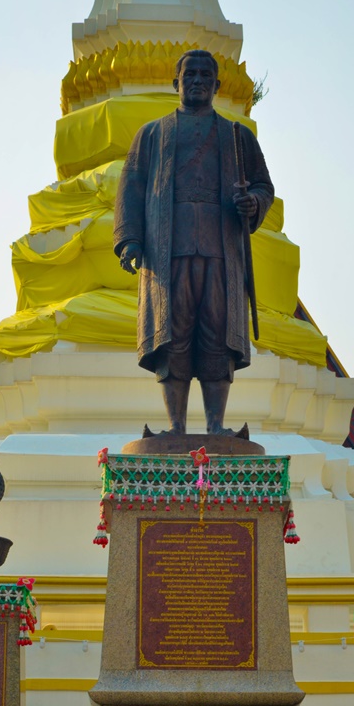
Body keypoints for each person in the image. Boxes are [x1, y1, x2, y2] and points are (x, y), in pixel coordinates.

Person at [113, 49, 274, 435]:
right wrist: (130, 240)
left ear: (217, 85)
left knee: (217, 332)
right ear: (176, 83)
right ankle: (176, 426)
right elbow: (131, 187)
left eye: (206, 75)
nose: (198, 80)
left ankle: (217, 425)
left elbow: (263, 185)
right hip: (168, 249)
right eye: (190, 75)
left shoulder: (237, 136)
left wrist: (253, 202)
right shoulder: (152, 134)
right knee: (173, 332)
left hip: (221, 250)